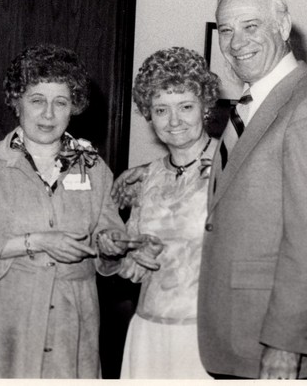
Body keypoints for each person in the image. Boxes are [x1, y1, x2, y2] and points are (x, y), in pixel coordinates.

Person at [197, 0, 307, 378]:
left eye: (251, 26)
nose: (236, 43)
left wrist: (285, 342)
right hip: (238, 332)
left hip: (277, 346)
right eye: (226, 30)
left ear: (283, 27)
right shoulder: (255, 104)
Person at [0, 44, 130, 378]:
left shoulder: (94, 168)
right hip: (4, 316)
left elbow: (109, 241)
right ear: (17, 103)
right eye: (37, 100)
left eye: (60, 102)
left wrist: (112, 247)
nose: (48, 114)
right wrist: (37, 241)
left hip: (71, 320)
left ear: (72, 108)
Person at [116, 47, 220, 379]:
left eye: (185, 107)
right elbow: (128, 267)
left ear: (205, 108)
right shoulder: (143, 177)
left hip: (207, 335)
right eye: (161, 109)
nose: (174, 121)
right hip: (149, 331)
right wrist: (127, 253)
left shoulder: (232, 164)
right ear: (148, 114)